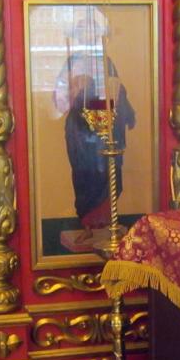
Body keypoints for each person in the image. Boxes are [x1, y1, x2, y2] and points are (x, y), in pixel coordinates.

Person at [52, 13, 136, 247]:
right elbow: (60, 99)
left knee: (109, 174)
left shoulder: (106, 62)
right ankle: (87, 226)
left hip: (105, 129)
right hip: (80, 133)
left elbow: (117, 91)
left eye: (92, 32)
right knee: (85, 175)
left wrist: (123, 105)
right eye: (83, 33)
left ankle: (109, 225)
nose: (88, 37)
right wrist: (75, 88)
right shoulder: (71, 63)